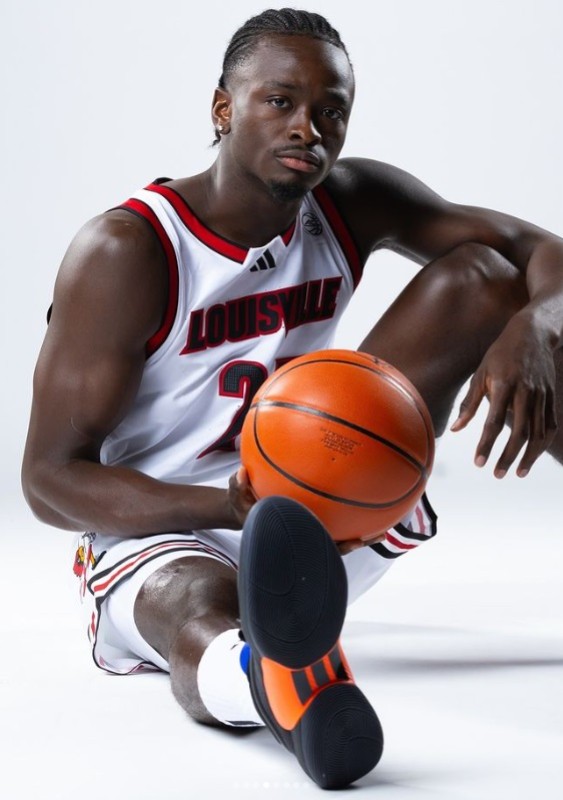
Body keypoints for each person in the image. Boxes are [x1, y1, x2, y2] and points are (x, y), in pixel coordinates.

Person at [21, 7, 563, 790]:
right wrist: (233, 507)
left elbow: (539, 251)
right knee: (198, 605)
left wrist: (538, 323)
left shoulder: (350, 199)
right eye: (279, 101)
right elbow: (48, 482)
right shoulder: (129, 249)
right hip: (169, 523)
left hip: (324, 497)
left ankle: (282, 632)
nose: (308, 128)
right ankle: (266, 683)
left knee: (488, 280)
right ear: (223, 109)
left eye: (330, 110)